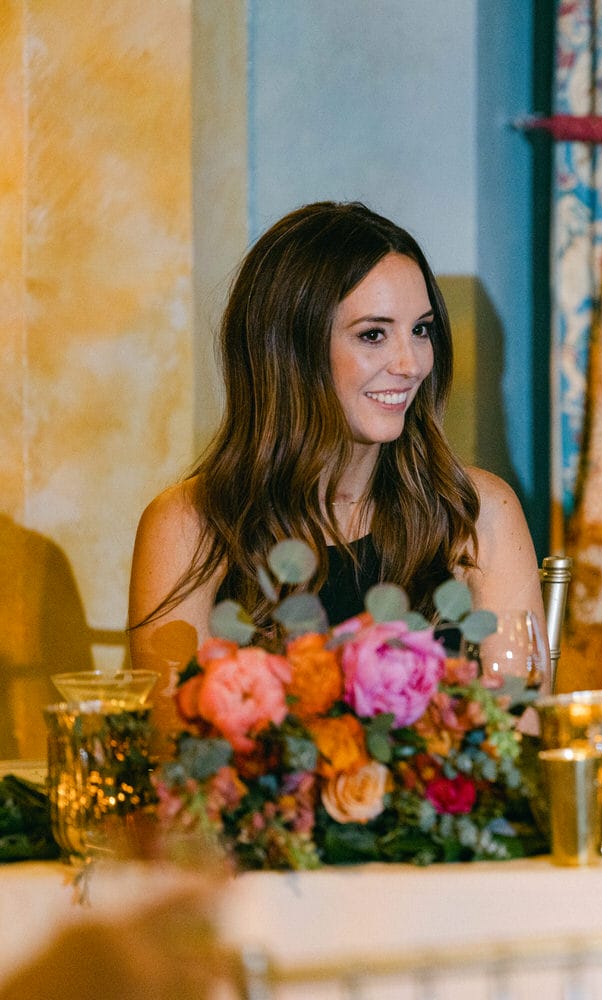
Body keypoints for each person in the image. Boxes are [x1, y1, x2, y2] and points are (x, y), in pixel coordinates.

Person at [128, 202, 543, 707]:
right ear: (290, 351)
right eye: (373, 334)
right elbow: (175, 758)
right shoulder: (187, 526)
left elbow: (518, 738)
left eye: (421, 329)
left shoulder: (479, 511)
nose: (411, 363)